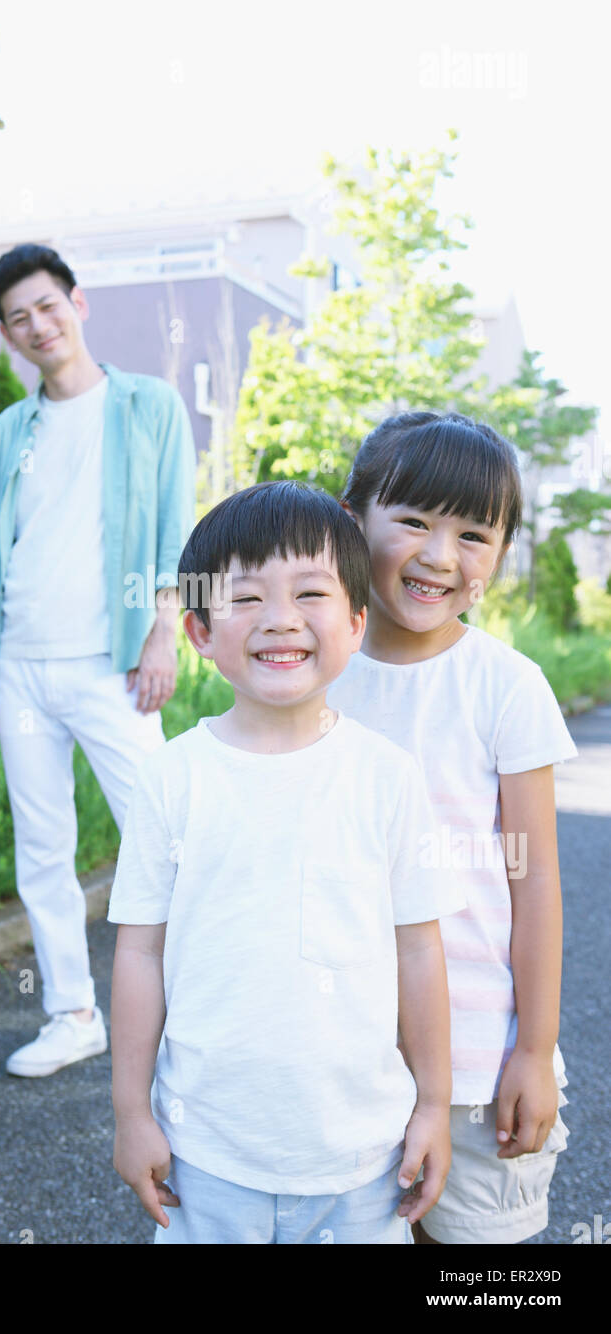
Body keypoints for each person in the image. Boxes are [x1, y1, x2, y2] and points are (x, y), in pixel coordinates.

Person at [108, 481, 466, 1244]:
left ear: (357, 621)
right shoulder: (172, 777)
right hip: (207, 1157)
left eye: (311, 592)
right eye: (245, 599)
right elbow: (139, 952)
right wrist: (131, 1114)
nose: (280, 619)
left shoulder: (386, 776)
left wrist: (433, 1105)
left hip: (365, 1162)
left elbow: (418, 948)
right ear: (200, 631)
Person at [327, 410, 577, 1244]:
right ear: (352, 515)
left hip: (476, 1060)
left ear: (501, 553)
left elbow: (534, 879)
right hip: (341, 1058)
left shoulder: (504, 686)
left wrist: (532, 1053)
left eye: (475, 533)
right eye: (413, 522)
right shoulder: (308, 679)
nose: (441, 556)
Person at [0, 243, 196, 1078]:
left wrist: (165, 628)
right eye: (18, 317)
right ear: (6, 334)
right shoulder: (7, 431)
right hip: (22, 662)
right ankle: (72, 1013)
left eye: (47, 305)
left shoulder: (147, 405)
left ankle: (201, 1008)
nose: (37, 325)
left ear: (78, 304)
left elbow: (180, 524)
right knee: (42, 847)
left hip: (114, 663)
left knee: (163, 837)